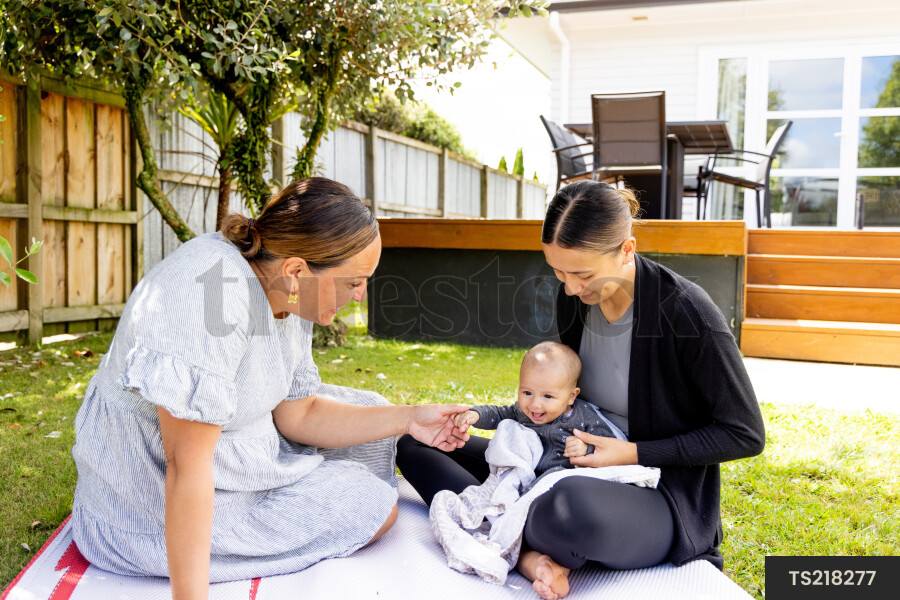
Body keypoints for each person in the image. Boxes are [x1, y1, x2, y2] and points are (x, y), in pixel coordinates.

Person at [70, 178, 471, 600]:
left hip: (234, 440)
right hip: (145, 501)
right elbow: (184, 466)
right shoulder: (207, 295)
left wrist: (410, 417)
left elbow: (299, 415)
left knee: (377, 415)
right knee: (370, 504)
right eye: (354, 281)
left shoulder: (283, 285)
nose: (360, 296)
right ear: (297, 270)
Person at [397, 180, 765, 600]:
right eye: (558, 271)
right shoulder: (575, 299)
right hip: (557, 464)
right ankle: (530, 554)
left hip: (651, 489)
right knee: (418, 446)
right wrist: (484, 417)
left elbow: (745, 434)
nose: (570, 288)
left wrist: (631, 453)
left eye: (583, 274)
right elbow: (564, 397)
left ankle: (514, 541)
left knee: (567, 508)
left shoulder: (686, 313)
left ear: (627, 249)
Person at [454, 341, 619, 476]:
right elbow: (498, 414)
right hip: (521, 471)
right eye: (527, 392)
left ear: (571, 396)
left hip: (560, 478)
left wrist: (586, 448)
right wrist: (476, 414)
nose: (534, 404)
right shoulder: (522, 411)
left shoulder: (583, 417)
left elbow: (609, 447)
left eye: (547, 396)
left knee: (554, 478)